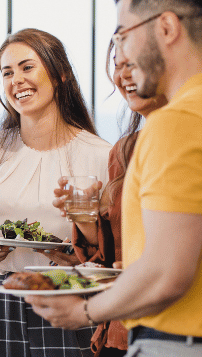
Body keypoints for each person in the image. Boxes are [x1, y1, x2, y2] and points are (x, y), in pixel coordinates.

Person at [24, 0, 202, 356]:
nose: (122, 56)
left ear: (166, 27)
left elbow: (168, 273)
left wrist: (84, 311)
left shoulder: (178, 123)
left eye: (124, 36)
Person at [0, 27, 112, 357]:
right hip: (1, 301)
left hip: (70, 297)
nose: (16, 80)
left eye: (27, 67)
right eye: (7, 73)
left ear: (59, 73)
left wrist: (82, 230)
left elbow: (109, 254)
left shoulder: (100, 155)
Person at [52, 42, 168, 357]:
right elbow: (104, 258)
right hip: (119, 332)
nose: (122, 75)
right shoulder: (124, 150)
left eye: (132, 63)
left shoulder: (191, 141)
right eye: (117, 65)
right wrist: (86, 217)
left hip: (170, 331)